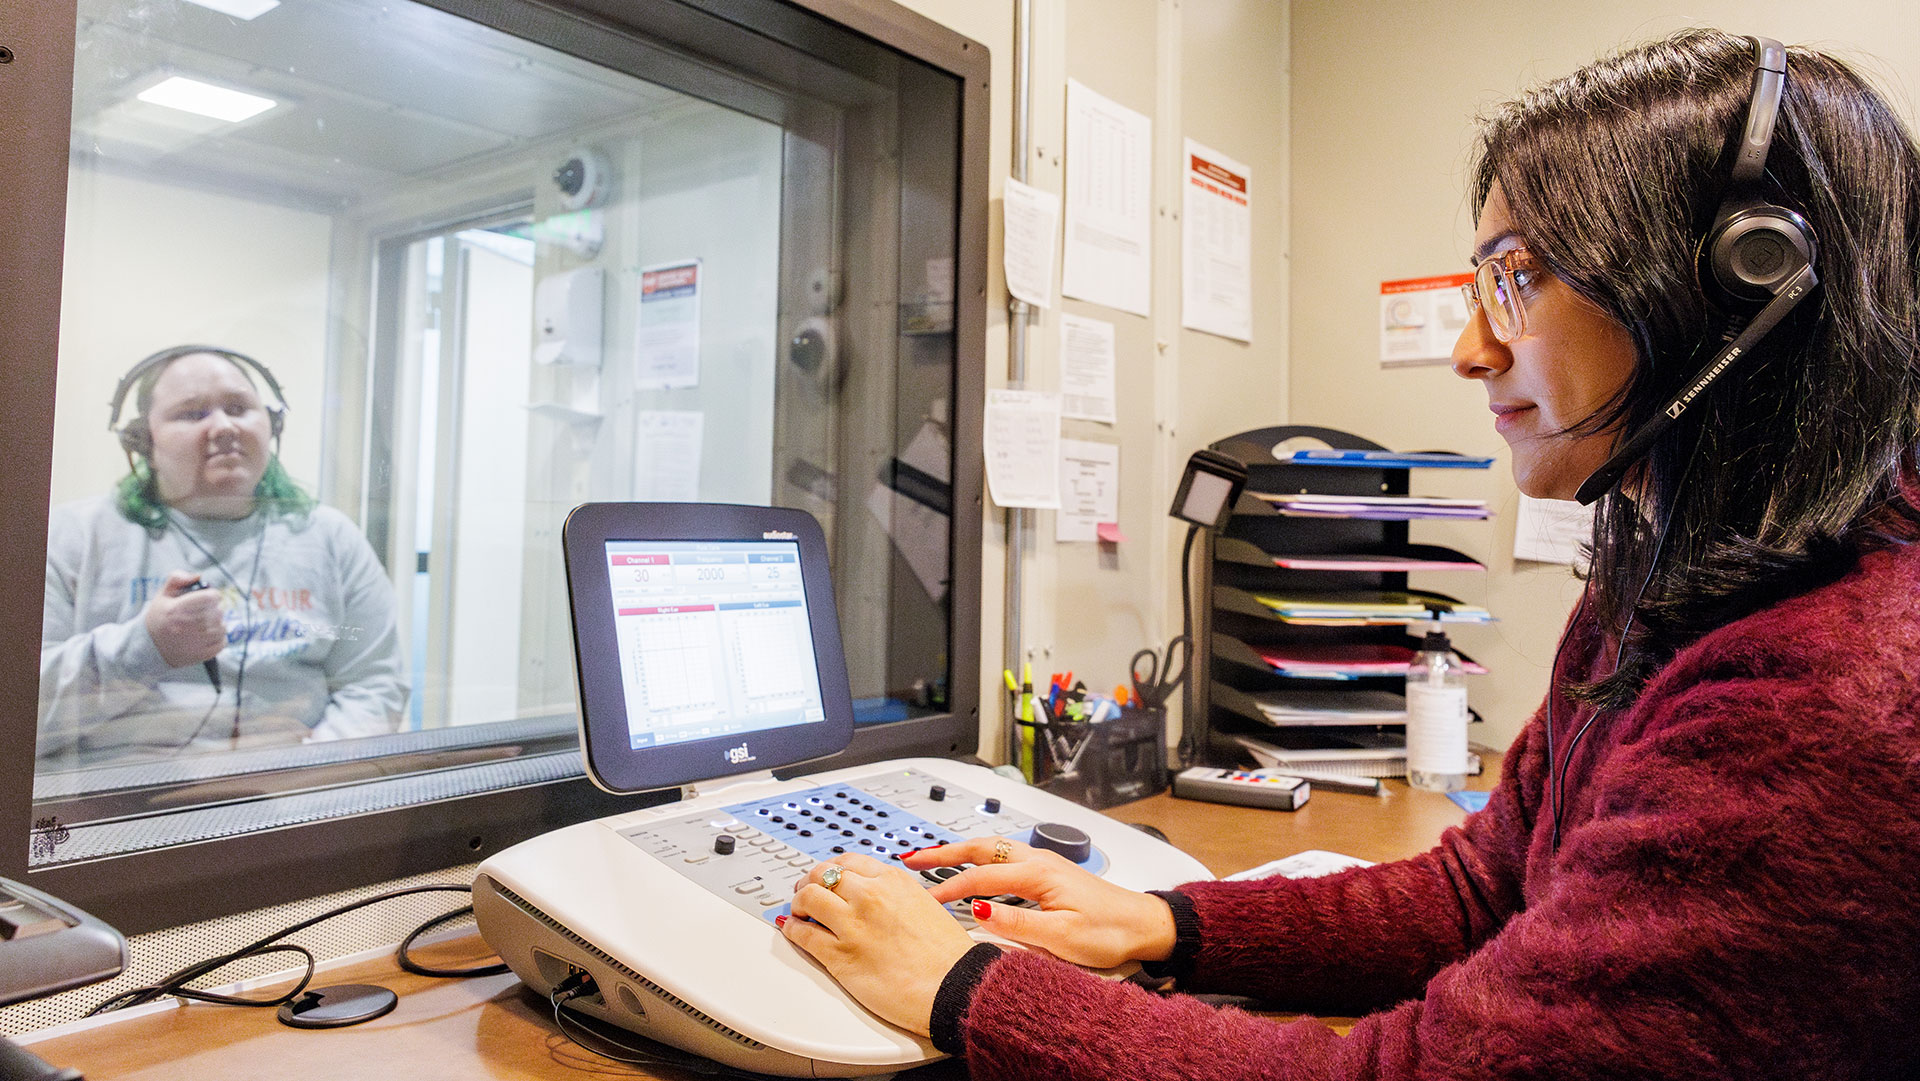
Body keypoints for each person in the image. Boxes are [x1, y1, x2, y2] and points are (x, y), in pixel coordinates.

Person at [775, 30, 1920, 1079]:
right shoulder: (1672, 577)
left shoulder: (1830, 699)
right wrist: (1165, 922)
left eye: (1519, 277)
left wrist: (968, 985)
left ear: (1740, 286)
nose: (1472, 348)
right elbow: (1484, 888)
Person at [40, 346, 407, 766]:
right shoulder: (72, 538)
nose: (224, 427)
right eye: (192, 413)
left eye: (238, 408)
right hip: (123, 796)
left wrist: (308, 772)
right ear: (143, 441)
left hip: (298, 788)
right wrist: (146, 646)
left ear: (273, 425)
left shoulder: (331, 538)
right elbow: (22, 713)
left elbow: (375, 684)